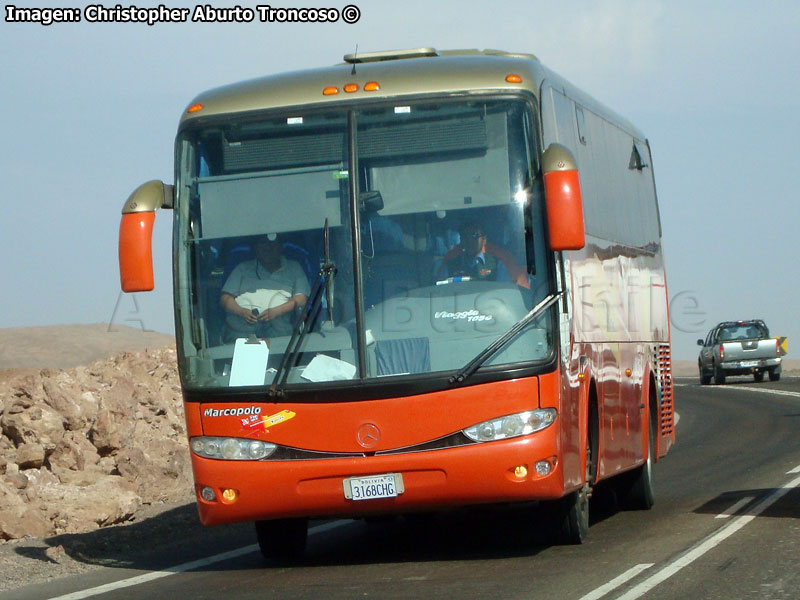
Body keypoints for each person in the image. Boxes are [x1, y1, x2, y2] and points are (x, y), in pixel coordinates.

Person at [220, 233, 310, 340]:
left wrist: (277, 311)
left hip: (278, 333)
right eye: (264, 244)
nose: (268, 248)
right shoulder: (242, 268)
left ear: (281, 247)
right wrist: (242, 312)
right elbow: (225, 298)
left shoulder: (294, 268)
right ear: (256, 248)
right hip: (242, 332)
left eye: (273, 245)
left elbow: (302, 298)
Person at [435, 221, 530, 289]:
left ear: (484, 239)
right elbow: (440, 292)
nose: (469, 240)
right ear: (461, 240)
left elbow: (505, 292)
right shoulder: (449, 266)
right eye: (465, 236)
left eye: (474, 235)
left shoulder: (497, 265)